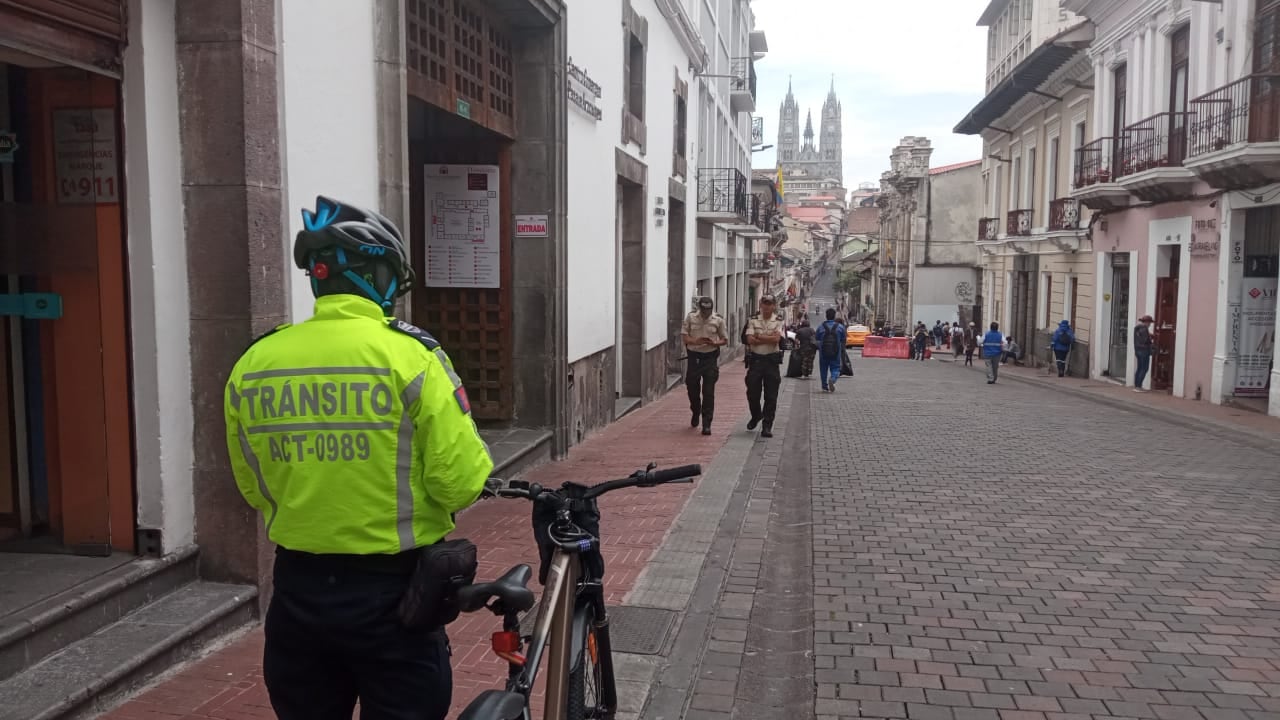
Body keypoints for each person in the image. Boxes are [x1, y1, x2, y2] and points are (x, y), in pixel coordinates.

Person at [223, 197, 492, 720]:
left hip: (296, 594)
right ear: (375, 273)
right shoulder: (411, 356)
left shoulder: (257, 360)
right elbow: (459, 483)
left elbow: (253, 485)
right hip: (394, 598)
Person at [682, 296, 728, 435]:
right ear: (699, 308)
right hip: (694, 357)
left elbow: (724, 339)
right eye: (703, 310)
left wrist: (714, 343)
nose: (706, 313)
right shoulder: (690, 318)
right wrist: (696, 341)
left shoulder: (718, 320)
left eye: (708, 310)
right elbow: (685, 337)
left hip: (710, 358)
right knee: (692, 388)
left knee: (708, 392)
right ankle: (696, 411)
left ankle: (707, 423)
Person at [745, 294, 785, 438]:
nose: (767, 306)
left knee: (771, 396)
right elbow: (750, 340)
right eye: (765, 303)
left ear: (774, 305)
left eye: (770, 304)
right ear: (760, 304)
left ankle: (767, 426)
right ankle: (756, 415)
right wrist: (767, 339)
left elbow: (776, 340)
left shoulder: (778, 321)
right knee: (752, 393)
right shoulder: (753, 320)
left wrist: (759, 337)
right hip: (756, 361)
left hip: (771, 362)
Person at [815, 308, 846, 392]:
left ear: (826, 316)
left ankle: (824, 386)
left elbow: (817, 338)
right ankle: (832, 379)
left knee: (823, 369)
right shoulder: (840, 327)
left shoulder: (821, 327)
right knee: (836, 368)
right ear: (834, 316)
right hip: (836, 352)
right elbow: (843, 339)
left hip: (823, 352)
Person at [1133, 314, 1154, 391]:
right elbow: (1145, 340)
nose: (1150, 325)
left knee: (1139, 368)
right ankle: (1139, 386)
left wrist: (1149, 335)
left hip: (1138, 350)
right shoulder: (1144, 329)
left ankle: (1136, 386)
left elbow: (1139, 338)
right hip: (1144, 351)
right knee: (1144, 368)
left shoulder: (1137, 328)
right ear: (1147, 322)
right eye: (1149, 323)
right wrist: (1150, 339)